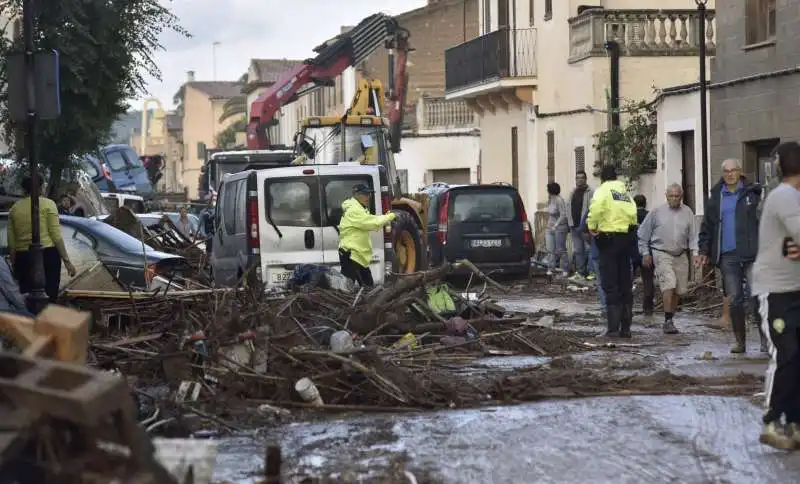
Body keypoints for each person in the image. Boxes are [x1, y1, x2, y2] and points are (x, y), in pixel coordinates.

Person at [751, 141, 800, 450]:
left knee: (798, 357)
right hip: (775, 291)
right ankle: (771, 421)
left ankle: (794, 423)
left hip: (795, 289)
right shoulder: (784, 196)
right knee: (785, 354)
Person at [696, 158, 766, 354]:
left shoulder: (753, 193)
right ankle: (740, 342)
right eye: (726, 171)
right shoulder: (716, 197)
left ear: (740, 171)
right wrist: (703, 250)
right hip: (728, 256)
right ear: (723, 174)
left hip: (752, 254)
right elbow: (707, 226)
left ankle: (764, 341)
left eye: (733, 170)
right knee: (735, 299)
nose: (730, 174)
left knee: (758, 297)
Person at [637, 184, 697, 334]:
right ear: (666, 196)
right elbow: (643, 234)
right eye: (671, 196)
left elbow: (694, 235)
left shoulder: (687, 212)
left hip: (681, 254)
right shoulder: (656, 212)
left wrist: (695, 253)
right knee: (668, 283)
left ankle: (671, 317)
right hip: (661, 252)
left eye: (677, 196)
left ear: (681, 197)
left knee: (680, 289)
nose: (674, 199)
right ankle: (668, 320)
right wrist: (645, 253)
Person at [8, 176, 76, 306]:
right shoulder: (48, 204)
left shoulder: (14, 209)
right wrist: (67, 261)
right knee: (48, 298)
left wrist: (14, 264)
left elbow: (12, 243)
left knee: (27, 300)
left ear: (24, 189)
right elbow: (56, 235)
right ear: (40, 188)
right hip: (47, 257)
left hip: (23, 258)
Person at [586, 165, 637, 338]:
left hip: (607, 240)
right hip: (625, 240)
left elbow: (596, 210)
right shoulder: (624, 193)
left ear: (602, 178)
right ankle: (626, 328)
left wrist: (592, 227)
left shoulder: (602, 191)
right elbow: (633, 216)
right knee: (625, 284)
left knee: (610, 284)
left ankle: (613, 329)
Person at [338, 184, 396, 287]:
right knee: (349, 288)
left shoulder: (359, 207)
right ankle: (345, 303)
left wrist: (385, 217)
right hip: (352, 254)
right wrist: (391, 216)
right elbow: (372, 224)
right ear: (356, 195)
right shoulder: (354, 210)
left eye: (369, 194)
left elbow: (371, 219)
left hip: (357, 255)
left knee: (366, 285)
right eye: (365, 194)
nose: (368, 196)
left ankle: (362, 302)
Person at [567, 171, 594, 280]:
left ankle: (590, 272)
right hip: (574, 226)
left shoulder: (590, 192)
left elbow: (592, 209)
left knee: (588, 250)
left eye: (582, 178)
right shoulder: (572, 192)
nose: (580, 180)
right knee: (578, 251)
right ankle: (580, 272)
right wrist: (569, 223)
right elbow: (568, 207)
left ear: (586, 179)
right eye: (578, 178)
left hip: (585, 227)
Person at [630, 194, 655, 317]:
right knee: (648, 281)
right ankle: (648, 308)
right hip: (647, 253)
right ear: (645, 204)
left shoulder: (630, 216)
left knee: (627, 280)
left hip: (633, 252)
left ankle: (627, 306)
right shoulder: (650, 216)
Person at [580, 210, 606, 316]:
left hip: (598, 251)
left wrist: (592, 242)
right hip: (616, 251)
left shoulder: (593, 208)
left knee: (601, 282)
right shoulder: (619, 205)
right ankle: (617, 310)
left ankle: (605, 309)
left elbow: (583, 230)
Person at [545, 182, 569, 276]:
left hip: (560, 227)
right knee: (550, 249)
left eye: (548, 189)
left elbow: (563, 214)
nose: (547, 191)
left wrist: (556, 225)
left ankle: (565, 269)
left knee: (561, 249)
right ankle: (550, 267)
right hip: (550, 227)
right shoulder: (550, 199)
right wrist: (549, 226)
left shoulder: (559, 200)